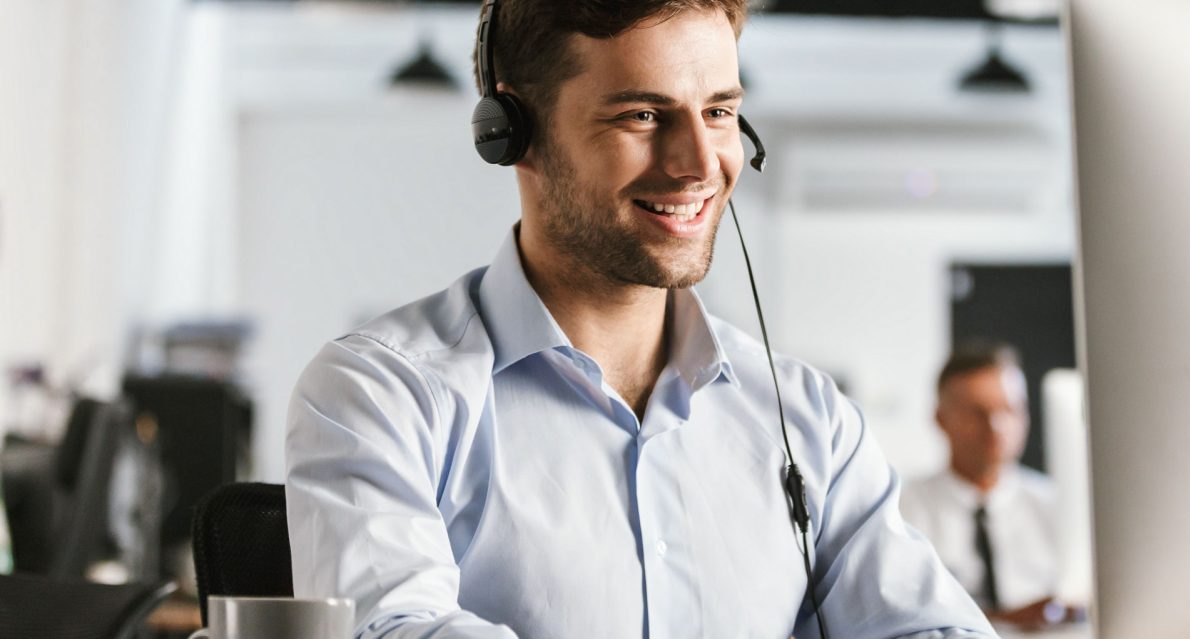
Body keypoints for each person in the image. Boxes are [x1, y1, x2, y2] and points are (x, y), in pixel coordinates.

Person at [283, 1, 995, 637]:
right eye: (643, 116)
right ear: (511, 132)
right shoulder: (381, 393)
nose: (699, 164)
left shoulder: (807, 416)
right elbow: (394, 626)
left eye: (719, 111)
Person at [900, 343, 1083, 633]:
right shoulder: (903, 510)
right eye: (977, 412)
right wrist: (1004, 620)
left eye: (1009, 409)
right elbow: (902, 611)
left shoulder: (1059, 506)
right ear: (941, 419)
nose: (996, 426)